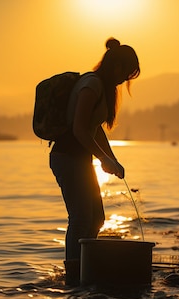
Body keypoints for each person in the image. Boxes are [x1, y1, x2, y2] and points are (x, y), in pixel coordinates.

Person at [50, 37, 140, 286]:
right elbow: (80, 129)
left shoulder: (102, 87)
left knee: (96, 218)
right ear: (117, 66)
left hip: (80, 160)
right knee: (80, 219)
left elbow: (96, 128)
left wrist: (111, 158)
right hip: (67, 158)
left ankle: (84, 270)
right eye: (127, 73)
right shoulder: (91, 85)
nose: (125, 80)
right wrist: (103, 158)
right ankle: (73, 277)